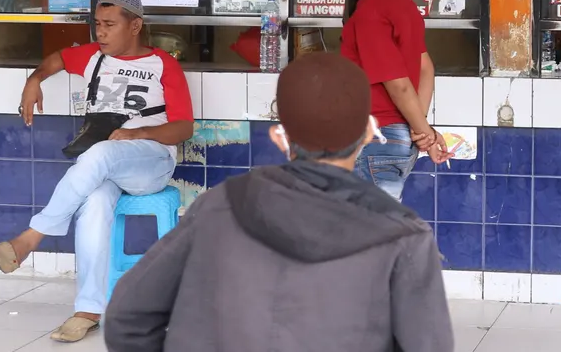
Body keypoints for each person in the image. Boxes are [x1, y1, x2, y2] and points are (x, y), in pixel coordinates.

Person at [103, 52, 454, 352]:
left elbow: (126, 318)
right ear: (367, 133)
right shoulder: (405, 236)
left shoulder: (218, 205)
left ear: (280, 136)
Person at [0, 0, 194, 343]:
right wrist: (33, 79)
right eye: (97, 24)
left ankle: (30, 238)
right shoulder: (93, 58)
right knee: (95, 202)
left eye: (110, 25)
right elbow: (56, 59)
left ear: (136, 26)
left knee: (98, 155)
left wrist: (138, 133)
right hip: (108, 162)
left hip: (151, 159)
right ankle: (87, 310)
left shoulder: (162, 64)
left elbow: (184, 128)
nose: (101, 32)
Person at [334, 0, 450, 199]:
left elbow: (396, 83)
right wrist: (419, 130)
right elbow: (426, 68)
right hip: (396, 142)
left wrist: (425, 132)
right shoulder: (402, 3)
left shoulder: (370, 13)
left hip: (375, 141)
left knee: (367, 235)